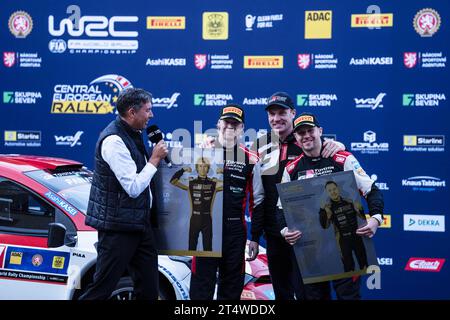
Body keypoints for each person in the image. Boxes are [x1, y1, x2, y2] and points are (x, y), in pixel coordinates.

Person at [249, 92, 345, 300]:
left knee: (309, 294)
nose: (276, 118)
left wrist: (338, 146)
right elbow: (255, 192)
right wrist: (255, 236)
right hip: (274, 232)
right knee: (281, 291)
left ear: (293, 113)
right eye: (272, 114)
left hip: (307, 233)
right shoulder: (258, 145)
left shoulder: (306, 139)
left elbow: (335, 156)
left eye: (282, 112)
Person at [279, 112, 384, 300]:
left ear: (320, 131)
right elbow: (280, 209)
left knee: (349, 297)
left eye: (310, 130)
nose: (306, 136)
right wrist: (285, 230)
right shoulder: (291, 169)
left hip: (345, 243)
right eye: (301, 133)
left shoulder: (342, 159)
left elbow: (371, 191)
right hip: (311, 249)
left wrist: (376, 218)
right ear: (296, 137)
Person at [79, 88, 168, 300]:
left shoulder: (132, 133)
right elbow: (134, 187)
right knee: (101, 290)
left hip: (139, 224)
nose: (151, 115)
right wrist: (154, 160)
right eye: (148, 110)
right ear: (131, 112)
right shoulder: (113, 141)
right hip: (118, 228)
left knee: (148, 290)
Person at [189, 104, 264, 300]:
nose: (230, 126)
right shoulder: (202, 152)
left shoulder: (251, 158)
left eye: (235, 123)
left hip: (234, 232)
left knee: (231, 288)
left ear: (241, 128)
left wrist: (255, 236)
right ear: (218, 124)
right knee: (200, 287)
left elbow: (257, 200)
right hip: (206, 227)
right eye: (226, 122)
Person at [170, 157, 223, 251]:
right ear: (197, 168)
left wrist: (224, 172)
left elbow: (232, 183)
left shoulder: (214, 183)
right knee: (191, 248)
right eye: (200, 166)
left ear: (208, 168)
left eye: (205, 166)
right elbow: (173, 181)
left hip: (207, 220)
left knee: (208, 249)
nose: (202, 168)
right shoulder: (190, 182)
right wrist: (182, 170)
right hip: (194, 219)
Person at [320, 181, 369, 272]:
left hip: (357, 237)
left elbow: (363, 217)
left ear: (338, 189)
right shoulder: (328, 207)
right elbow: (325, 226)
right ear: (327, 193)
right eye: (330, 190)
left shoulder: (350, 201)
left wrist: (360, 208)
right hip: (342, 241)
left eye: (334, 189)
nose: (333, 192)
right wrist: (323, 212)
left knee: (365, 266)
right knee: (349, 270)